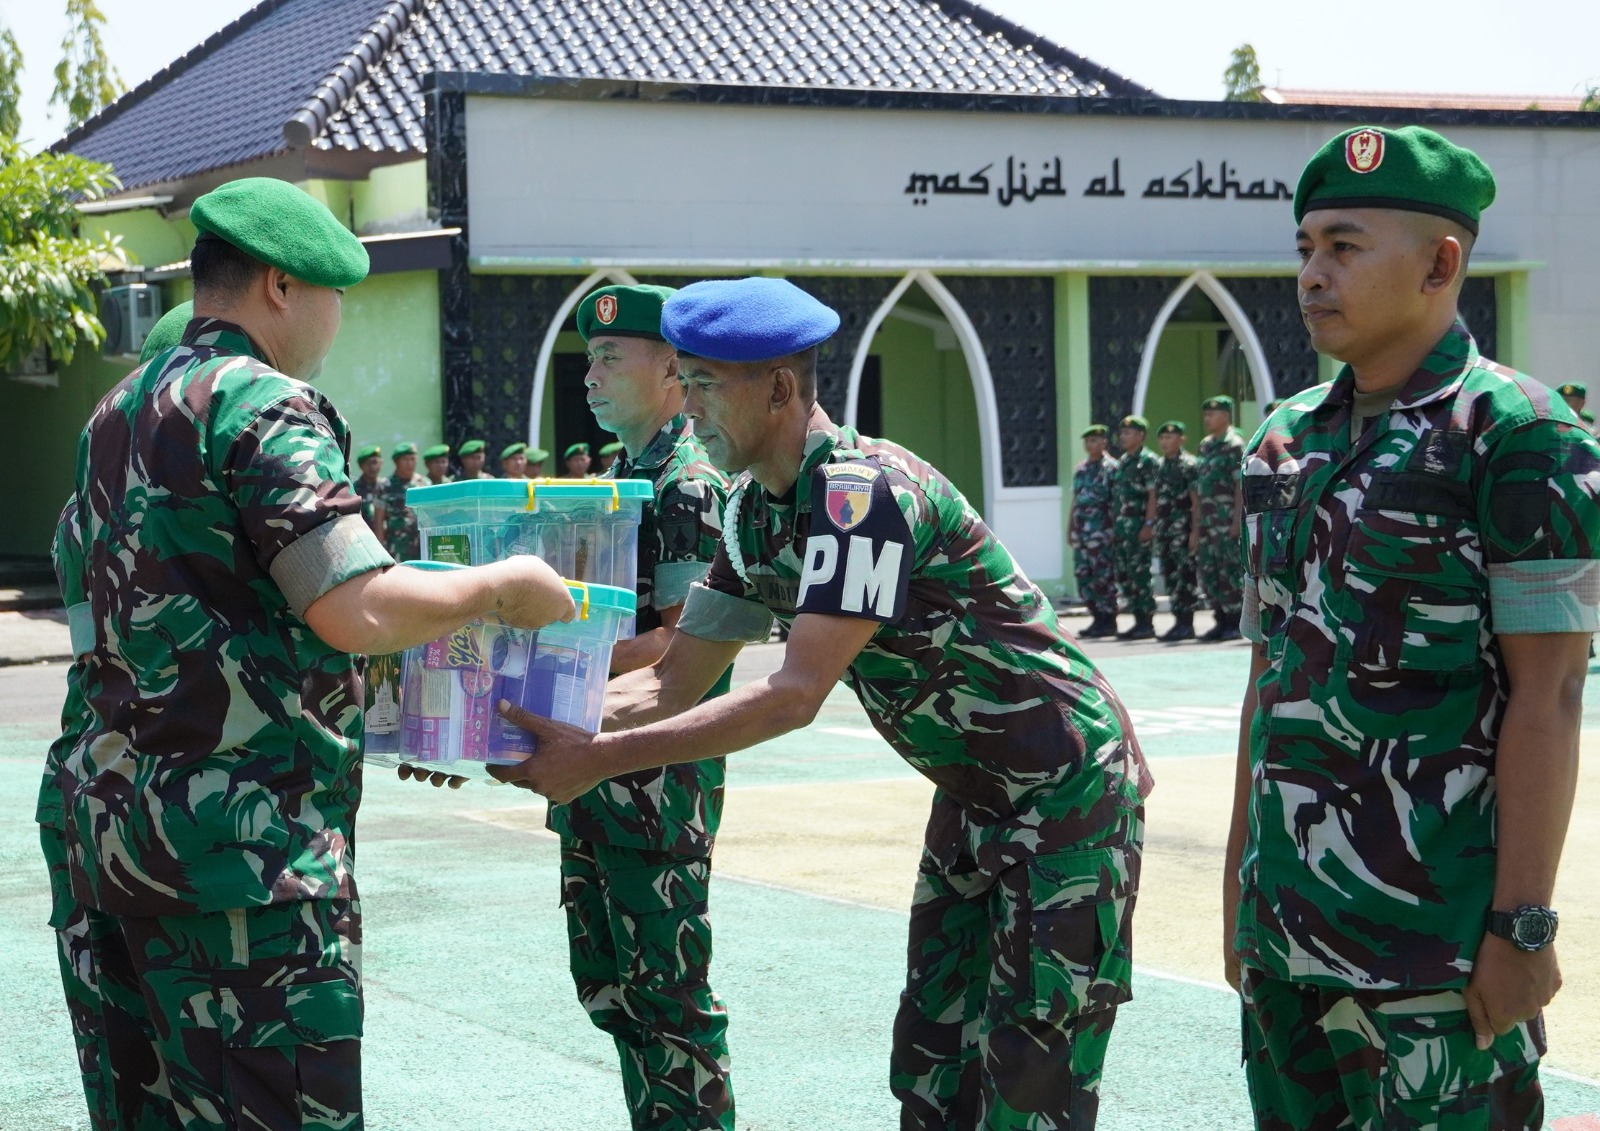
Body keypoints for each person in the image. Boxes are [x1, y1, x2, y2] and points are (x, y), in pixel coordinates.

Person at [492, 276, 1151, 1129]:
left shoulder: (860, 496)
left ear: (778, 387)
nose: (691, 406)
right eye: (685, 381)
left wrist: (596, 759)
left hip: (1067, 793)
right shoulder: (750, 515)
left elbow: (795, 693)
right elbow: (670, 679)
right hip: (974, 796)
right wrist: (510, 723)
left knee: (1031, 1077)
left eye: (705, 384)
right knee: (933, 1064)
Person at [47, 176, 575, 1131]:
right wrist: (501, 585)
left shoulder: (116, 413)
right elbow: (351, 605)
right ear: (281, 287)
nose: (336, 320)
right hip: (246, 867)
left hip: (118, 849)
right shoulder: (260, 401)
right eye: (334, 294)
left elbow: (197, 621)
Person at [1225, 126, 1600, 1130]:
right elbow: (1267, 676)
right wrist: (1238, 896)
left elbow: (1552, 693)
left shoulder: (1524, 438)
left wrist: (1524, 926)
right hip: (1285, 944)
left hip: (1436, 960)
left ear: (1440, 263)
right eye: (1306, 247)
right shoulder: (1281, 442)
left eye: (1344, 247)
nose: (1312, 274)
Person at [550, 283, 735, 1129]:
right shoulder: (622, 480)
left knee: (669, 1006)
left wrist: (535, 667)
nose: (590, 375)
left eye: (609, 357)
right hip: (598, 776)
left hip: (656, 789)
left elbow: (676, 643)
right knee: (614, 995)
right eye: (588, 358)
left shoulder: (687, 484)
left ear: (670, 369)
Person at [1195, 396, 1246, 642]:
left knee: (1230, 570)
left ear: (1226, 416)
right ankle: (1219, 619)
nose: (1207, 419)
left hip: (1226, 521)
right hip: (1208, 521)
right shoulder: (1205, 445)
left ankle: (1234, 621)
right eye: (1205, 414)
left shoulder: (1234, 445)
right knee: (1210, 570)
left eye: (1212, 414)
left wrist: (1237, 521)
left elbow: (1240, 486)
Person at [1110, 415, 1161, 641]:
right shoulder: (1123, 461)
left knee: (1140, 574)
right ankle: (1136, 619)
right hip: (1123, 529)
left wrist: (1149, 524)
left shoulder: (1148, 461)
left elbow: (1153, 495)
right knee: (1126, 575)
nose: (1123, 437)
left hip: (1139, 527)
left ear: (1140, 435)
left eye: (1128, 433)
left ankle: (1146, 622)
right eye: (1121, 433)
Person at [1069, 423, 1121, 638]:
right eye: (1087, 441)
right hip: (1082, 532)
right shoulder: (1081, 469)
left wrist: (1115, 530)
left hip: (1102, 532)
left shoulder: (1112, 468)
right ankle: (1096, 617)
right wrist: (1070, 527)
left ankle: (1108, 619)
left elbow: (1117, 501)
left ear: (1104, 442)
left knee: (1103, 576)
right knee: (1083, 575)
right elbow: (1075, 500)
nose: (1090, 444)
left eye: (1094, 440)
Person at [1152, 421, 1201, 642]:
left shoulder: (1188, 465)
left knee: (1185, 577)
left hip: (1183, 530)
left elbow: (1196, 502)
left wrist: (1195, 533)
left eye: (1170, 437)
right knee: (1170, 576)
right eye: (1162, 438)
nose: (1165, 442)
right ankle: (1178, 621)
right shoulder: (1160, 465)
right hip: (1165, 531)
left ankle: (1186, 623)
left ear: (1182, 439)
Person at [378, 441, 428, 561]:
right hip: (396, 548)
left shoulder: (424, 483)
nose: (410, 463)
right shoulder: (385, 486)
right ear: (396, 462)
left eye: (412, 459)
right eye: (405, 459)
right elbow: (378, 521)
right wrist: (380, 551)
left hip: (421, 546)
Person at [352, 443, 385, 539]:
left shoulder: (386, 487)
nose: (372, 467)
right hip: (361, 538)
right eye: (368, 463)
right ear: (361, 466)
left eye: (375, 462)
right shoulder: (353, 489)